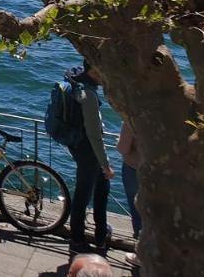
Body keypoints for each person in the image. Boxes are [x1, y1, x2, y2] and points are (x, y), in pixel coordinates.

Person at [66, 60, 113, 257]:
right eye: (103, 71)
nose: (106, 75)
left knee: (99, 189)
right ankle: (78, 240)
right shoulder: (89, 95)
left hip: (80, 145)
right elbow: (94, 134)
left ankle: (101, 233)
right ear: (93, 71)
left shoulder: (79, 82)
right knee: (86, 194)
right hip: (88, 150)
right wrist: (106, 164)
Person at [116, 119, 141, 267]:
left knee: (137, 209)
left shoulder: (133, 116)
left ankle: (141, 254)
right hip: (158, 171)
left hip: (134, 168)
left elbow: (123, 148)